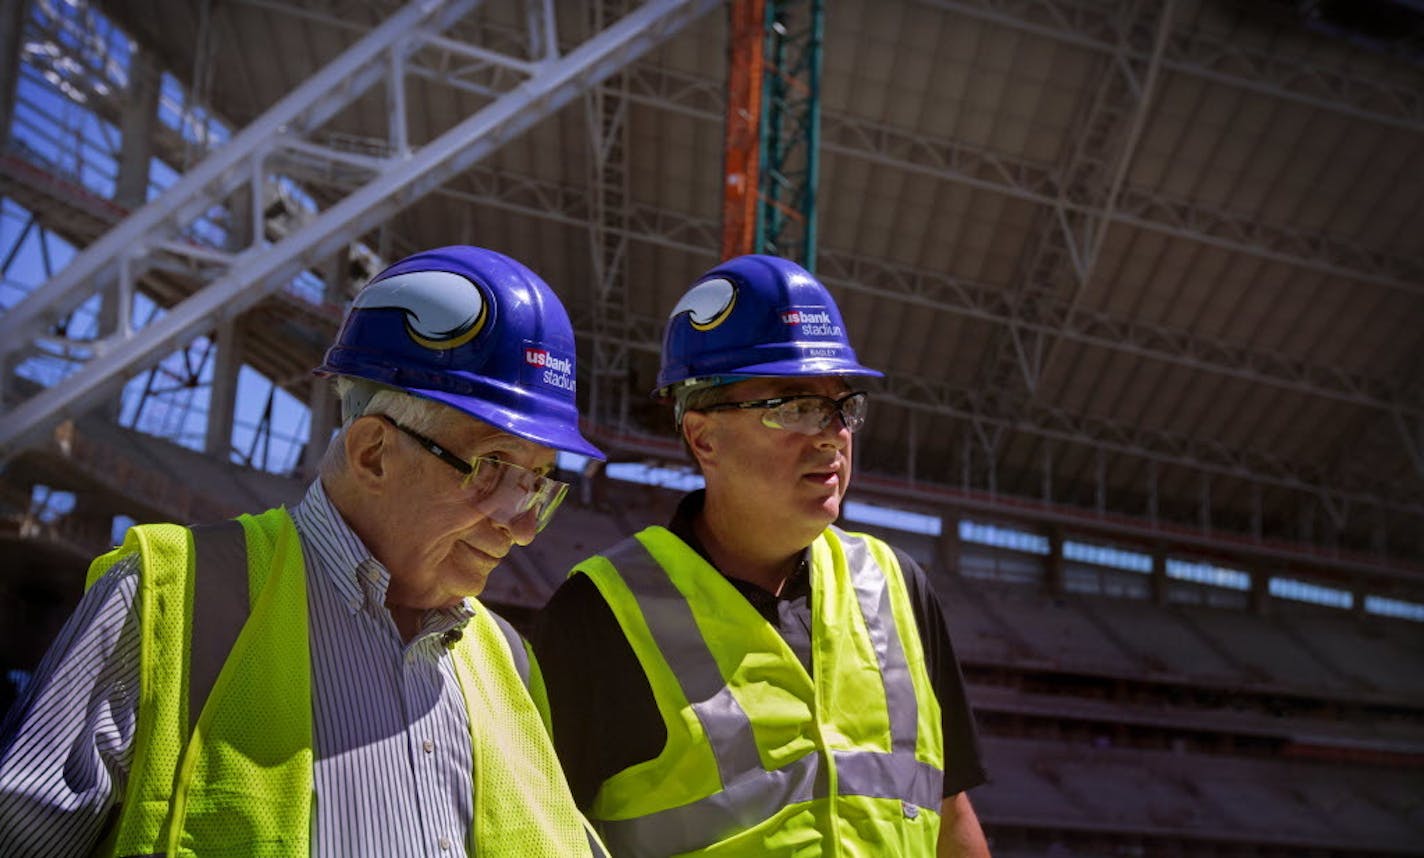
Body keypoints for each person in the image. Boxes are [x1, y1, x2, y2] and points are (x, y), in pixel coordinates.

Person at [0, 246, 610, 857]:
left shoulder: (509, 662)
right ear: (373, 453)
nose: (523, 528)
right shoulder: (166, 601)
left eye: (537, 484)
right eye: (491, 469)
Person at [534, 254, 992, 857]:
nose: (831, 434)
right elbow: (534, 830)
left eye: (841, 406)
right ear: (704, 438)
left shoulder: (898, 586)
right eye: (794, 406)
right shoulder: (598, 614)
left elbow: (949, 812)